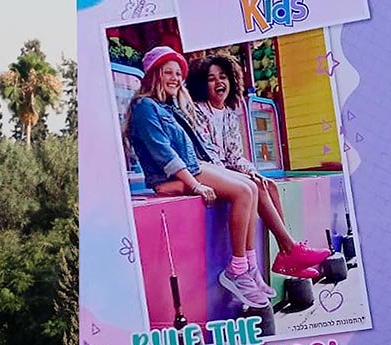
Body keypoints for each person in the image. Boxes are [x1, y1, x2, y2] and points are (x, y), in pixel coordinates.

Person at [124, 45, 272, 311]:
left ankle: (249, 267)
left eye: (178, 74)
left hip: (195, 166)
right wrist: (195, 185)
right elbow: (163, 152)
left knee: (250, 186)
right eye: (168, 72)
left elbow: (195, 145)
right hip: (179, 174)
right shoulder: (145, 106)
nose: (175, 78)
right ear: (154, 74)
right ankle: (236, 270)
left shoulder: (169, 107)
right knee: (242, 193)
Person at [186, 54, 331, 280]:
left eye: (223, 77)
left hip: (225, 171)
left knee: (268, 184)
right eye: (211, 79)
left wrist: (251, 171)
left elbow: (235, 155)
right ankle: (290, 251)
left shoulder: (230, 114)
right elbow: (206, 155)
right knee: (257, 186)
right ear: (202, 85)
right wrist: (243, 176)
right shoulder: (197, 111)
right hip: (207, 172)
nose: (218, 83)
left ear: (232, 81)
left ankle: (287, 254)